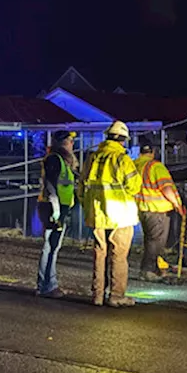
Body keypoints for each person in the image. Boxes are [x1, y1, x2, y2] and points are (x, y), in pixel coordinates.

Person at [80, 121, 142, 307]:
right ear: (123, 140)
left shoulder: (93, 157)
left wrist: (87, 207)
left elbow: (81, 187)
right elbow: (134, 186)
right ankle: (116, 296)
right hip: (120, 215)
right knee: (119, 255)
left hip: (97, 214)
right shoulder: (122, 159)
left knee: (100, 254)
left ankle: (97, 295)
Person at [133, 136, 185, 282]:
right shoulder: (155, 166)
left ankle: (156, 268)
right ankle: (147, 270)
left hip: (142, 209)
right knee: (156, 241)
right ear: (153, 152)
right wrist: (177, 205)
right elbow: (166, 188)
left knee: (150, 239)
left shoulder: (134, 165)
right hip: (158, 210)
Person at [35, 130, 79, 298]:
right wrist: (56, 207)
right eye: (69, 141)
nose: (72, 143)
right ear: (62, 143)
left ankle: (46, 285)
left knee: (52, 246)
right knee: (50, 247)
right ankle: (48, 286)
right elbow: (50, 183)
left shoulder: (61, 160)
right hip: (52, 207)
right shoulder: (55, 159)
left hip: (58, 206)